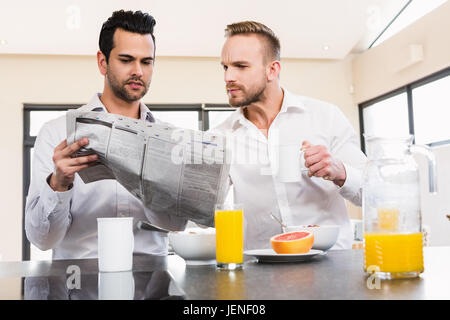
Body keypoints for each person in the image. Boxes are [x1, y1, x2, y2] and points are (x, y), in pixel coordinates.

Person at [25, 10, 187, 260]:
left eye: (146, 62)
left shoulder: (168, 138)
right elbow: (42, 240)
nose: (138, 71)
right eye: (126, 60)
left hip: (154, 281)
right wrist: (58, 183)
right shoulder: (57, 133)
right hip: (78, 281)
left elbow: (176, 224)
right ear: (103, 62)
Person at [212, 21, 367, 250]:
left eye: (240, 66)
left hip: (330, 267)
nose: (228, 77)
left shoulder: (326, 117)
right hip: (260, 272)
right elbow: (200, 209)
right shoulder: (220, 137)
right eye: (225, 67)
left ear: (272, 70)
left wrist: (340, 171)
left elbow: (373, 194)